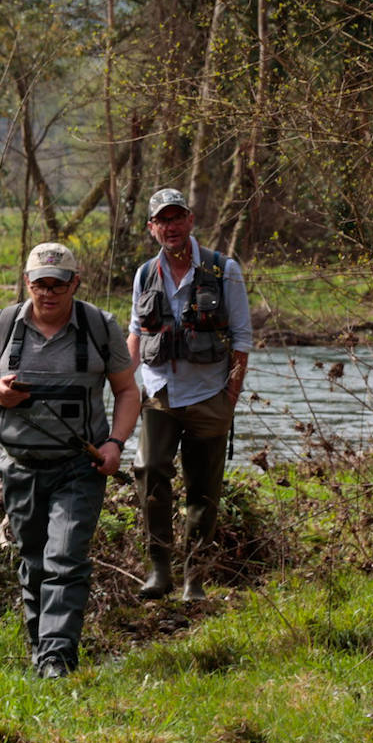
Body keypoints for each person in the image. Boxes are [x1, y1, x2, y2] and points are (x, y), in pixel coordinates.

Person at [0, 241, 141, 679]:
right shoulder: (4, 325)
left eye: (58, 284)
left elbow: (127, 391)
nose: (48, 293)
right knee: (34, 561)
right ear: (27, 282)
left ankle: (57, 662)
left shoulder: (101, 326)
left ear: (74, 283)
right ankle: (40, 649)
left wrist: (115, 443)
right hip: (20, 466)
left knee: (66, 557)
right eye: (40, 284)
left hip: (80, 466)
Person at [127, 188, 253, 602]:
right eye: (162, 220)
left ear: (191, 220)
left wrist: (229, 399)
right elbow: (135, 335)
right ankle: (159, 570)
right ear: (152, 228)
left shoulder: (223, 269)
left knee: (204, 491)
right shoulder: (145, 274)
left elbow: (241, 339)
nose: (171, 227)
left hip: (209, 394)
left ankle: (193, 579)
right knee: (149, 473)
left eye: (177, 217)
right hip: (159, 394)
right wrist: (123, 386)